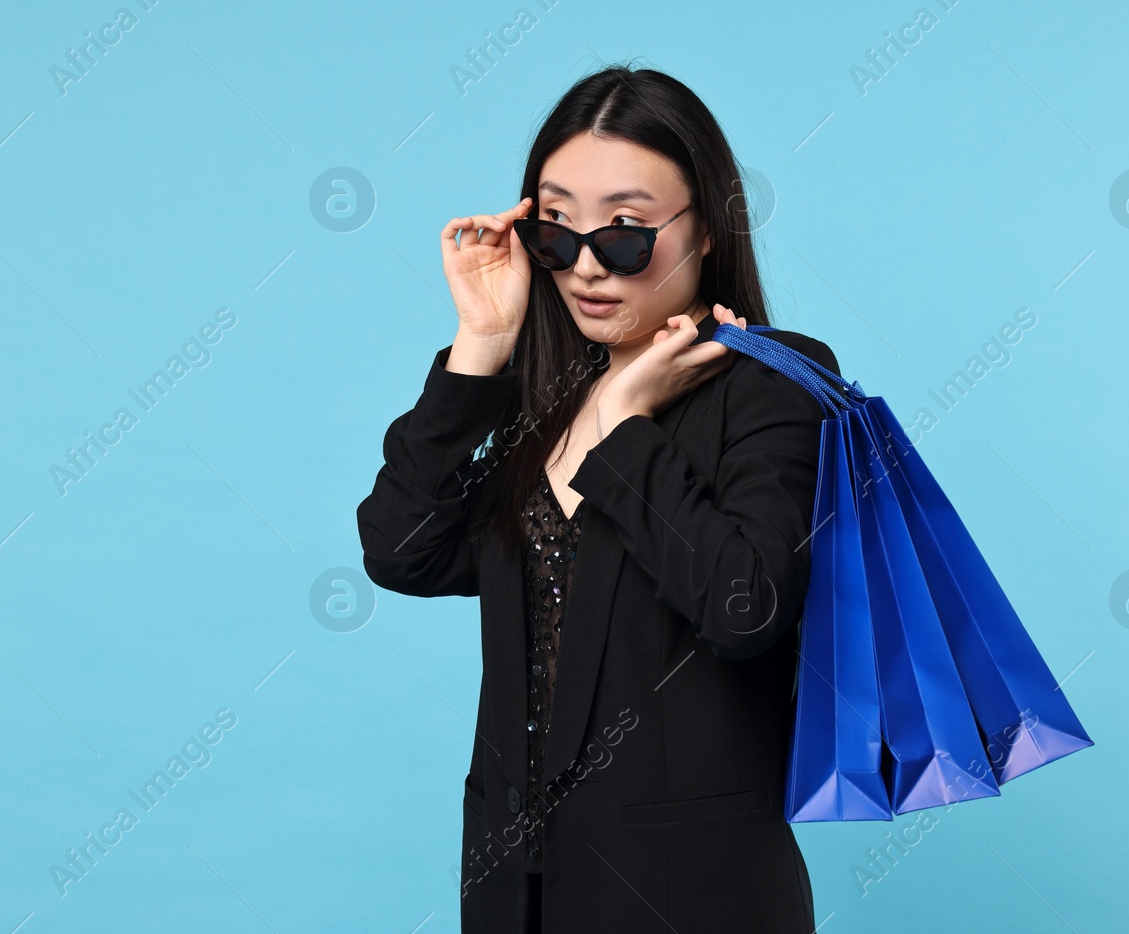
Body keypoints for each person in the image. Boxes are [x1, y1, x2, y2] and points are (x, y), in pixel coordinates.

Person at [356, 64, 840, 932]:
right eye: (555, 231)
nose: (584, 266)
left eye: (624, 233)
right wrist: (481, 344)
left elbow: (745, 607)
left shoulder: (773, 385)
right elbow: (402, 549)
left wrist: (623, 426)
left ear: (707, 228)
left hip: (687, 896)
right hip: (517, 893)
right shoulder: (546, 395)